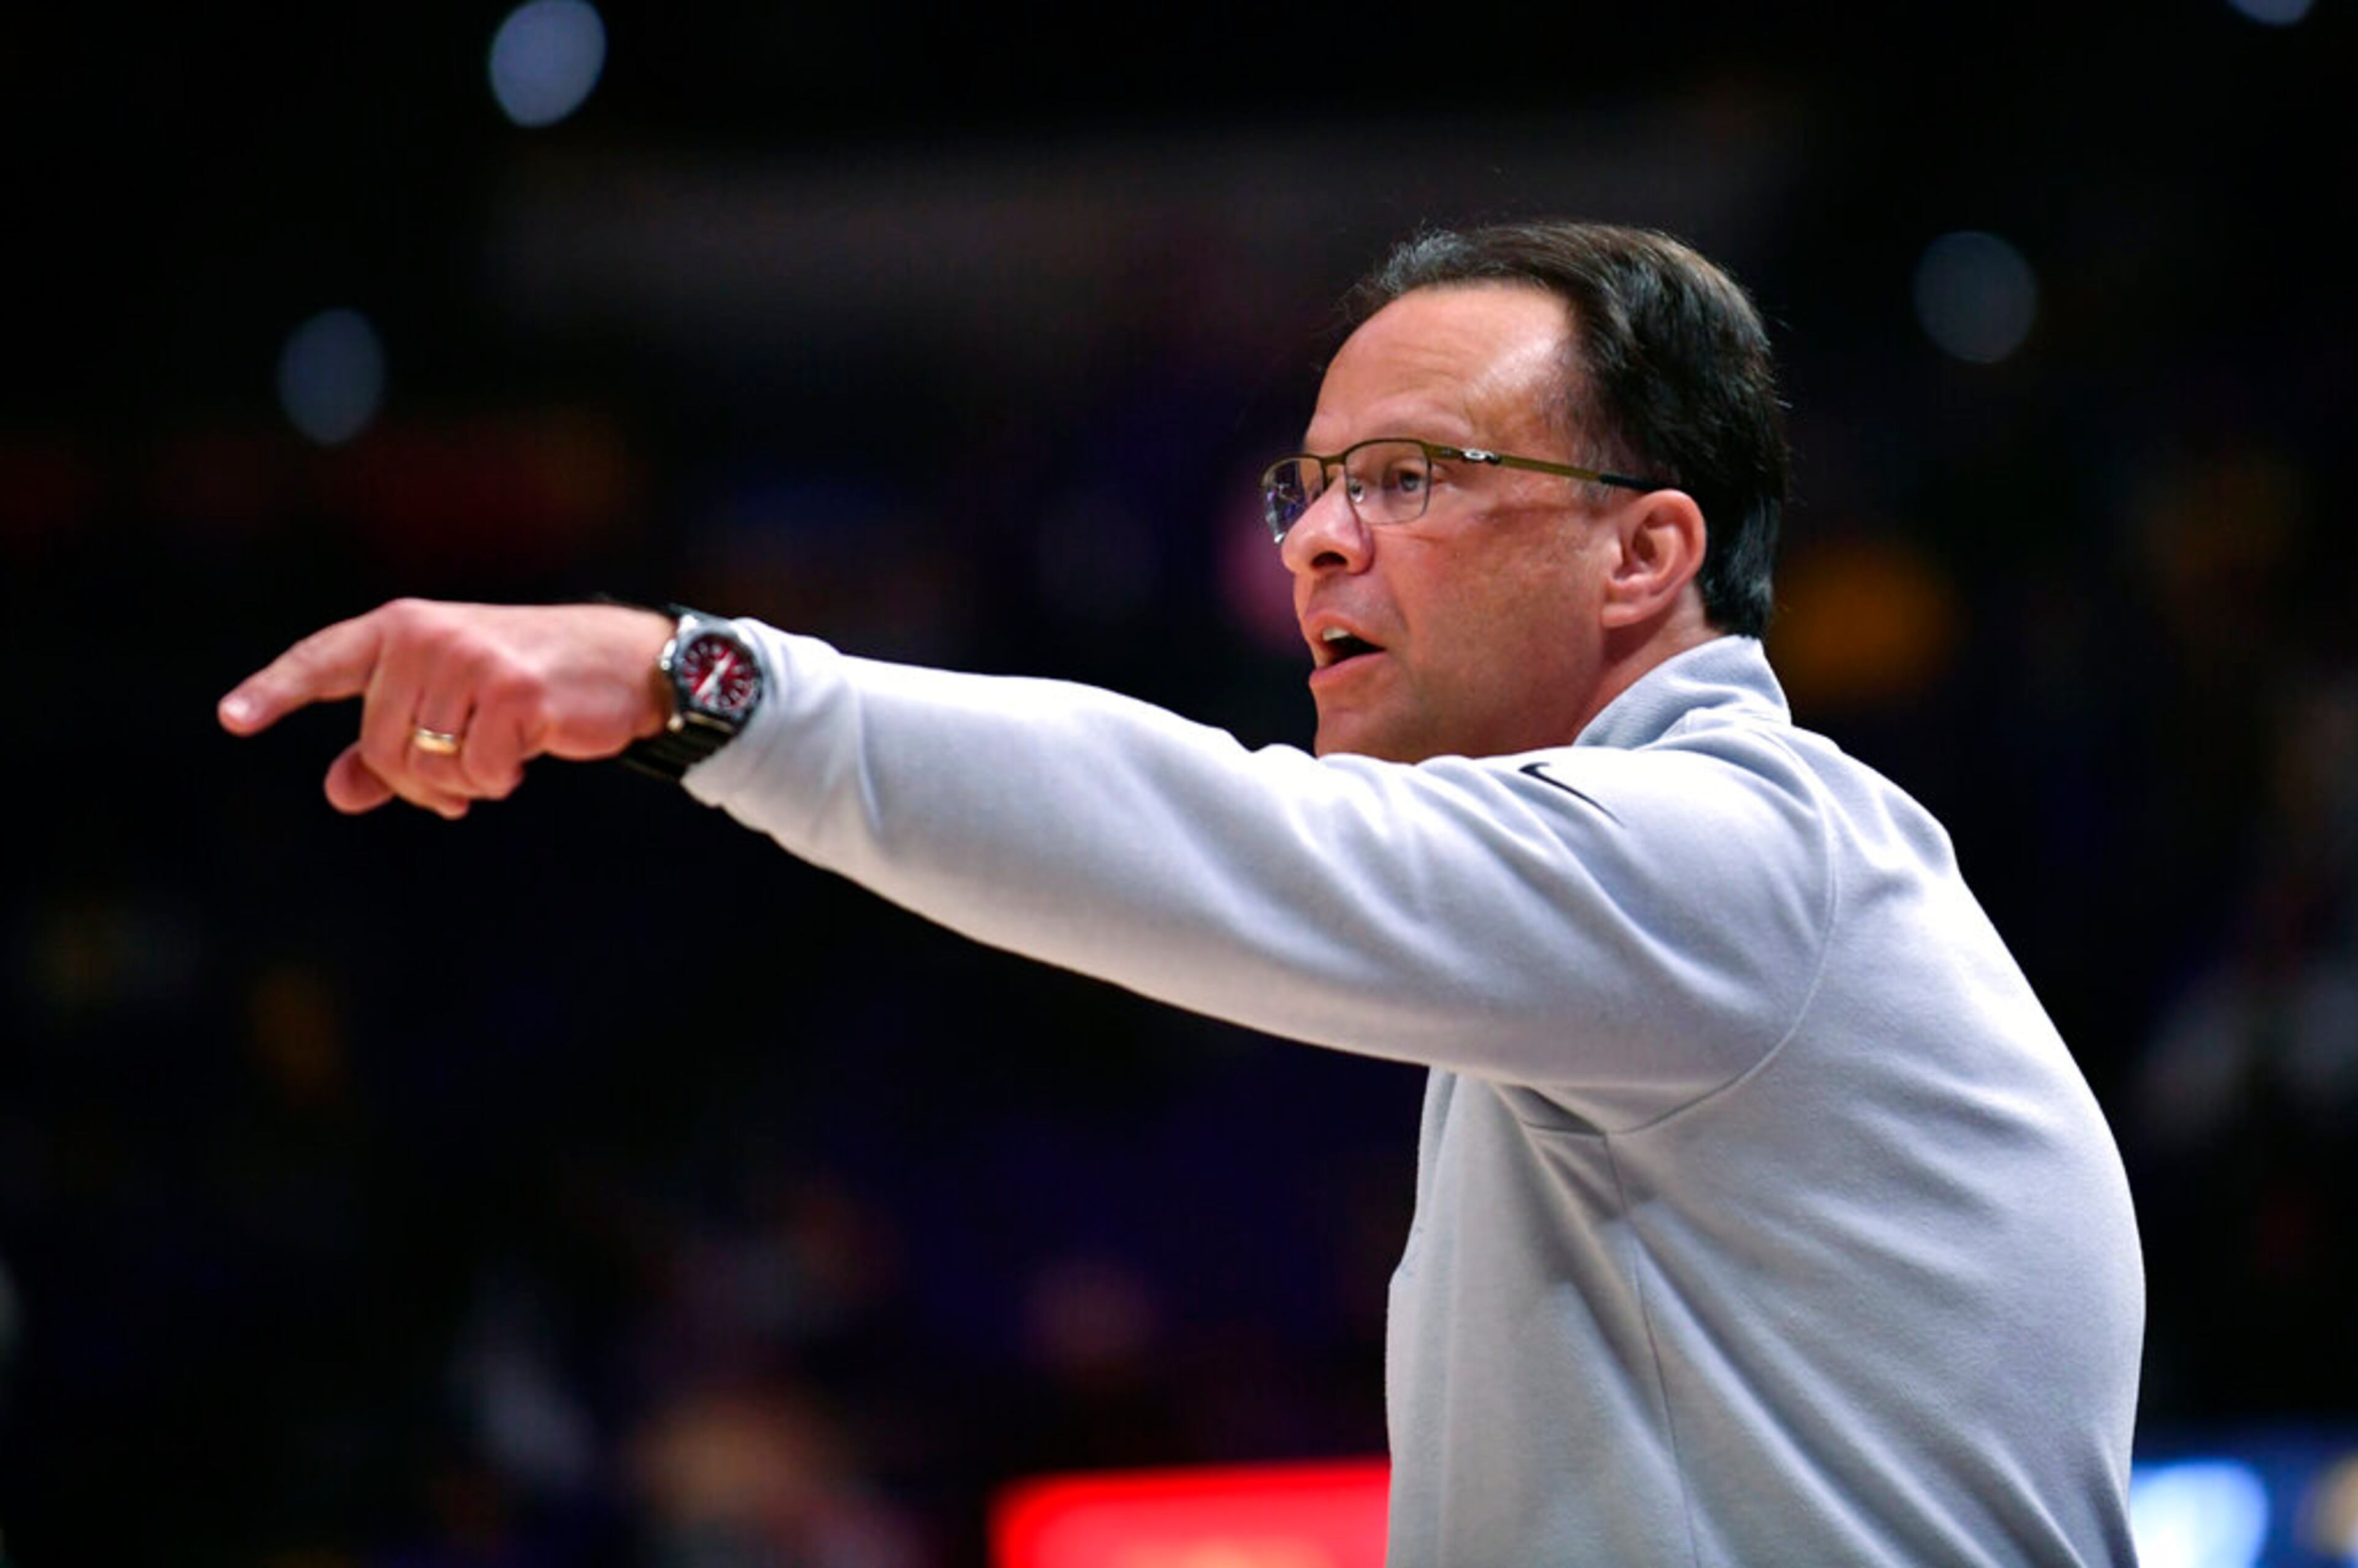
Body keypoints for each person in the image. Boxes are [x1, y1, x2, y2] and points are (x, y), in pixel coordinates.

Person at [220, 221, 2144, 1565]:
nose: (1315, 537)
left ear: (1650, 552)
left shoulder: (1750, 858)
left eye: (1409, 475)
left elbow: (1227, 842)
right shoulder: (1625, 949)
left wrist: (686, 677)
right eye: (1307, 481)